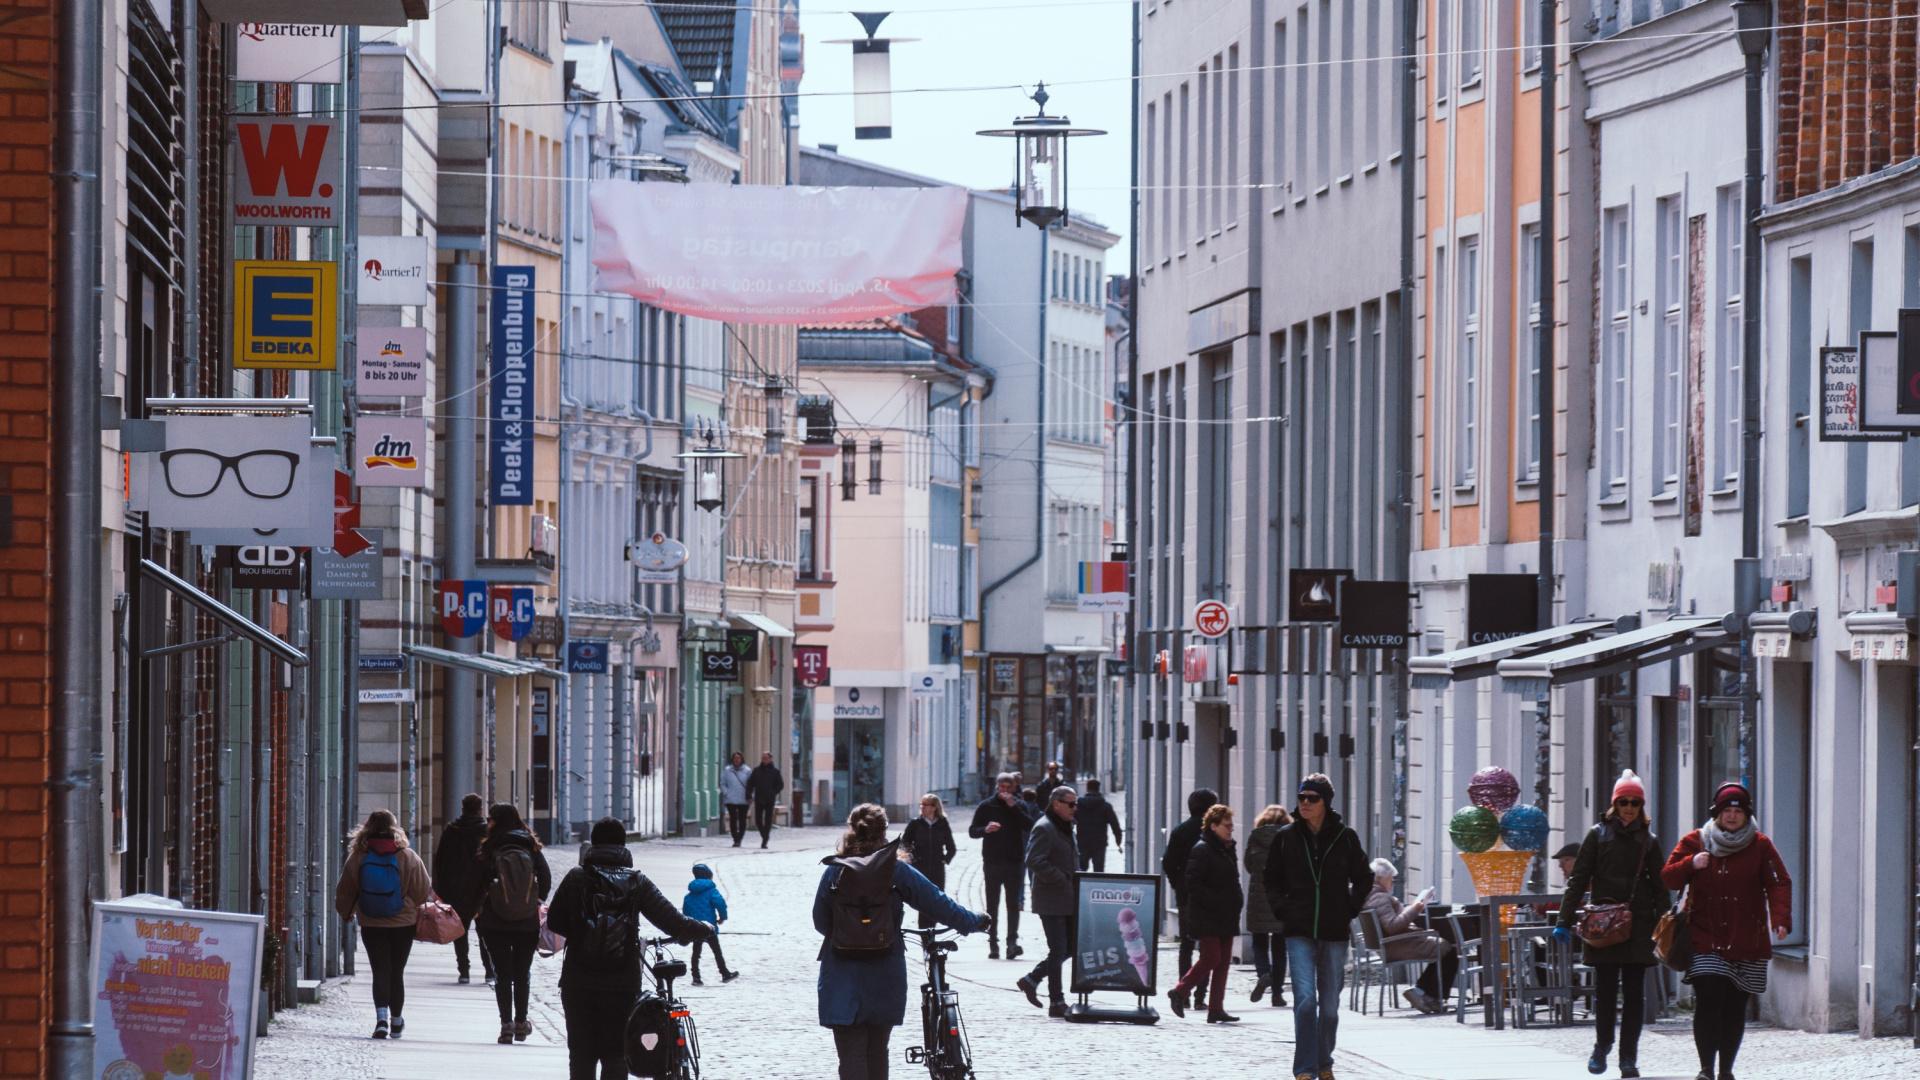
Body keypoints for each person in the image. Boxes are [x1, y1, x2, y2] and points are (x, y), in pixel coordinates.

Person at [815, 803, 990, 1080]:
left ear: (851, 830)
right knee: (877, 1050)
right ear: (884, 832)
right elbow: (937, 902)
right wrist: (973, 921)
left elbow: (820, 922)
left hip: (842, 974)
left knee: (850, 1054)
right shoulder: (895, 871)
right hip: (884, 971)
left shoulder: (835, 871)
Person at [545, 817, 718, 1080]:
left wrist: (583, 933)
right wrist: (704, 928)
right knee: (616, 1054)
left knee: (581, 1054)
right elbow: (673, 922)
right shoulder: (636, 882)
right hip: (622, 983)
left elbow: (555, 921)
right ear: (623, 845)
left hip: (578, 981)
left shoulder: (576, 878)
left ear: (594, 843)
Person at [1661, 782, 1792, 1080]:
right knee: (1709, 997)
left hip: (1747, 936)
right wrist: (1691, 863)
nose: (1732, 816)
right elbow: (1668, 877)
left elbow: (1779, 882)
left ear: (1747, 815)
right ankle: (1706, 1067)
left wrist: (1780, 918)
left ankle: (1726, 1070)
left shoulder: (1760, 845)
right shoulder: (1697, 840)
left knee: (1734, 1006)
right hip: (1706, 935)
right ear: (1716, 813)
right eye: (1726, 811)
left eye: (1738, 811)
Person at [1551, 770, 1668, 1078]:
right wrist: (1564, 919)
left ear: (1641, 806)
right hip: (1602, 924)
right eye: (1624, 801)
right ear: (1615, 804)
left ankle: (1628, 1058)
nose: (1629, 808)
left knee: (1633, 994)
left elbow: (1660, 886)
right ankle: (1602, 1046)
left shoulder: (1649, 841)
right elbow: (1578, 879)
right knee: (1604, 991)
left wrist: (1666, 927)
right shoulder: (1597, 835)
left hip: (1638, 924)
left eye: (1635, 802)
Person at [1264, 774, 1371, 1080]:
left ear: (1326, 802)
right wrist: (1282, 908)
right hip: (1298, 929)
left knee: (1330, 1008)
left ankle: (1324, 1062)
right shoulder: (1286, 837)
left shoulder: (1345, 837)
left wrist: (1349, 907)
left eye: (1313, 798)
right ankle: (1305, 1070)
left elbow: (1364, 877)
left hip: (1334, 930)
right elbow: (1270, 879)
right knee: (1305, 1000)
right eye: (1302, 798)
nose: (1306, 803)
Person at [335, 809, 432, 1040]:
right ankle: (396, 1021)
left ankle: (381, 1020)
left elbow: (346, 888)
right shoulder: (407, 856)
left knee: (380, 970)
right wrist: (408, 904)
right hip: (403, 923)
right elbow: (422, 889)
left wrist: (346, 912)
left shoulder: (359, 856)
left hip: (371, 921)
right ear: (394, 827)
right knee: (396, 972)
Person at [475, 802, 553, 1045]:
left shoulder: (490, 847)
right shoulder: (530, 845)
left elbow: (479, 880)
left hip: (495, 921)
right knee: (522, 973)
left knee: (502, 974)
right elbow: (546, 877)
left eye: (491, 819)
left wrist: (482, 906)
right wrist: (536, 900)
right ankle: (521, 1022)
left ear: (496, 822)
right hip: (526, 922)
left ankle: (505, 1025)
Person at [1167, 804, 1244, 1023]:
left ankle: (1216, 1008)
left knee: (1223, 962)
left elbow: (1234, 879)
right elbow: (1193, 884)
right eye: (1227, 826)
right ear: (1214, 826)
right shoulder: (1201, 849)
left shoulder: (1227, 848)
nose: (1231, 829)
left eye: (1231, 825)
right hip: (1207, 915)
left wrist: (1237, 900)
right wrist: (1216, 901)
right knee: (1211, 957)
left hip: (1227, 913)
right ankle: (1180, 991)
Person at [1361, 859, 1457, 1015]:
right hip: (1396, 945)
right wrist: (1415, 909)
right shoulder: (1380, 897)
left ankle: (1423, 991)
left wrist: (1411, 908)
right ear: (1381, 878)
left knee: (1445, 947)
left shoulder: (1372, 895)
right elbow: (1392, 925)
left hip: (1395, 943)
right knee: (1449, 949)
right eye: (1391, 878)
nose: (1392, 882)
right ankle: (1429, 995)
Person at [1015, 785, 1079, 1018]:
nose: (1075, 808)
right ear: (1057, 804)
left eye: (1076, 803)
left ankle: (1031, 979)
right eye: (1071, 804)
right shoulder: (1045, 827)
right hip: (1051, 899)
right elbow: (1033, 860)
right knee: (1058, 948)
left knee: (1070, 947)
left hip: (1067, 898)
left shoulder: (1063, 826)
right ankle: (1056, 1001)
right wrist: (1061, 877)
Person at [1161, 788, 1219, 1011]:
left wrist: (1179, 884)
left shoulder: (1180, 831)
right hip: (1208, 897)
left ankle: (1183, 992)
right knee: (1207, 946)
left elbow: (1168, 862)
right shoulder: (1212, 832)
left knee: (1186, 945)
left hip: (1186, 896)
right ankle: (1199, 996)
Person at [968, 772, 1036, 959]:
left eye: (1008, 788)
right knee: (992, 904)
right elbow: (972, 831)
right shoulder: (986, 806)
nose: (1004, 791)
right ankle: (993, 943)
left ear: (1014, 788)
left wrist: (1014, 808)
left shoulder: (1019, 805)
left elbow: (1029, 825)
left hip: (1014, 861)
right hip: (992, 861)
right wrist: (985, 829)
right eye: (1002, 787)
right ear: (997, 786)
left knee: (1013, 904)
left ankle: (1012, 943)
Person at [433, 793, 494, 985]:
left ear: (463, 808)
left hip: (456, 889)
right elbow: (492, 861)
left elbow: (440, 861)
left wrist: (440, 889)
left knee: (460, 932)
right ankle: (490, 971)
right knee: (485, 933)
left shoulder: (452, 830)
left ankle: (464, 971)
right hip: (481, 890)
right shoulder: (486, 831)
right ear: (479, 809)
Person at [1244, 803, 1291, 1007]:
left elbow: (1248, 864)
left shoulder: (1255, 837)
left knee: (1259, 943)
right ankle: (1277, 994)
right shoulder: (1290, 839)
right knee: (1280, 947)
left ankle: (1264, 974)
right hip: (1280, 898)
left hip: (1258, 897)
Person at [900, 794, 957, 929]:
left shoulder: (943, 824)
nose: (922, 807)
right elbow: (904, 844)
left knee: (936, 903)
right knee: (924, 904)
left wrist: (945, 859)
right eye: (922, 804)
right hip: (920, 869)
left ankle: (931, 936)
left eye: (926, 805)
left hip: (937, 870)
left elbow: (951, 847)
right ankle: (926, 940)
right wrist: (912, 859)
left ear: (934, 807)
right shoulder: (915, 823)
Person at [681, 862, 738, 984]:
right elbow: (720, 903)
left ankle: (696, 977)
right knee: (717, 951)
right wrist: (722, 917)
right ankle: (724, 973)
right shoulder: (711, 891)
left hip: (695, 926)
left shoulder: (690, 894)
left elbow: (685, 910)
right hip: (709, 927)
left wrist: (687, 925)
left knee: (696, 953)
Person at [1074, 779, 1123, 873]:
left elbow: (1070, 821)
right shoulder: (1105, 806)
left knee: (1080, 871)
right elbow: (1115, 825)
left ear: (1087, 788)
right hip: (1099, 843)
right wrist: (1118, 841)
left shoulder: (1079, 805)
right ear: (1098, 789)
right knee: (1098, 872)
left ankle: (1080, 887)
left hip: (1082, 841)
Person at [748, 751, 786, 849]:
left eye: (766, 758)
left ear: (770, 759)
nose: (764, 760)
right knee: (758, 820)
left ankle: (764, 841)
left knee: (768, 820)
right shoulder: (756, 770)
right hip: (759, 798)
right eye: (763, 758)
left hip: (770, 799)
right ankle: (765, 836)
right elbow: (750, 783)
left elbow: (780, 785)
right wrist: (749, 795)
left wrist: (773, 792)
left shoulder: (775, 772)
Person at [720, 751, 752, 847]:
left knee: (742, 820)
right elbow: (722, 783)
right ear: (732, 759)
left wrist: (750, 796)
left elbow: (751, 785)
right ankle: (735, 838)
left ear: (742, 759)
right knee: (733, 819)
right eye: (735, 758)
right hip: (731, 799)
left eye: (738, 758)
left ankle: (740, 838)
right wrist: (726, 793)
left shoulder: (747, 771)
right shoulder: (727, 770)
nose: (737, 760)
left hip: (743, 800)